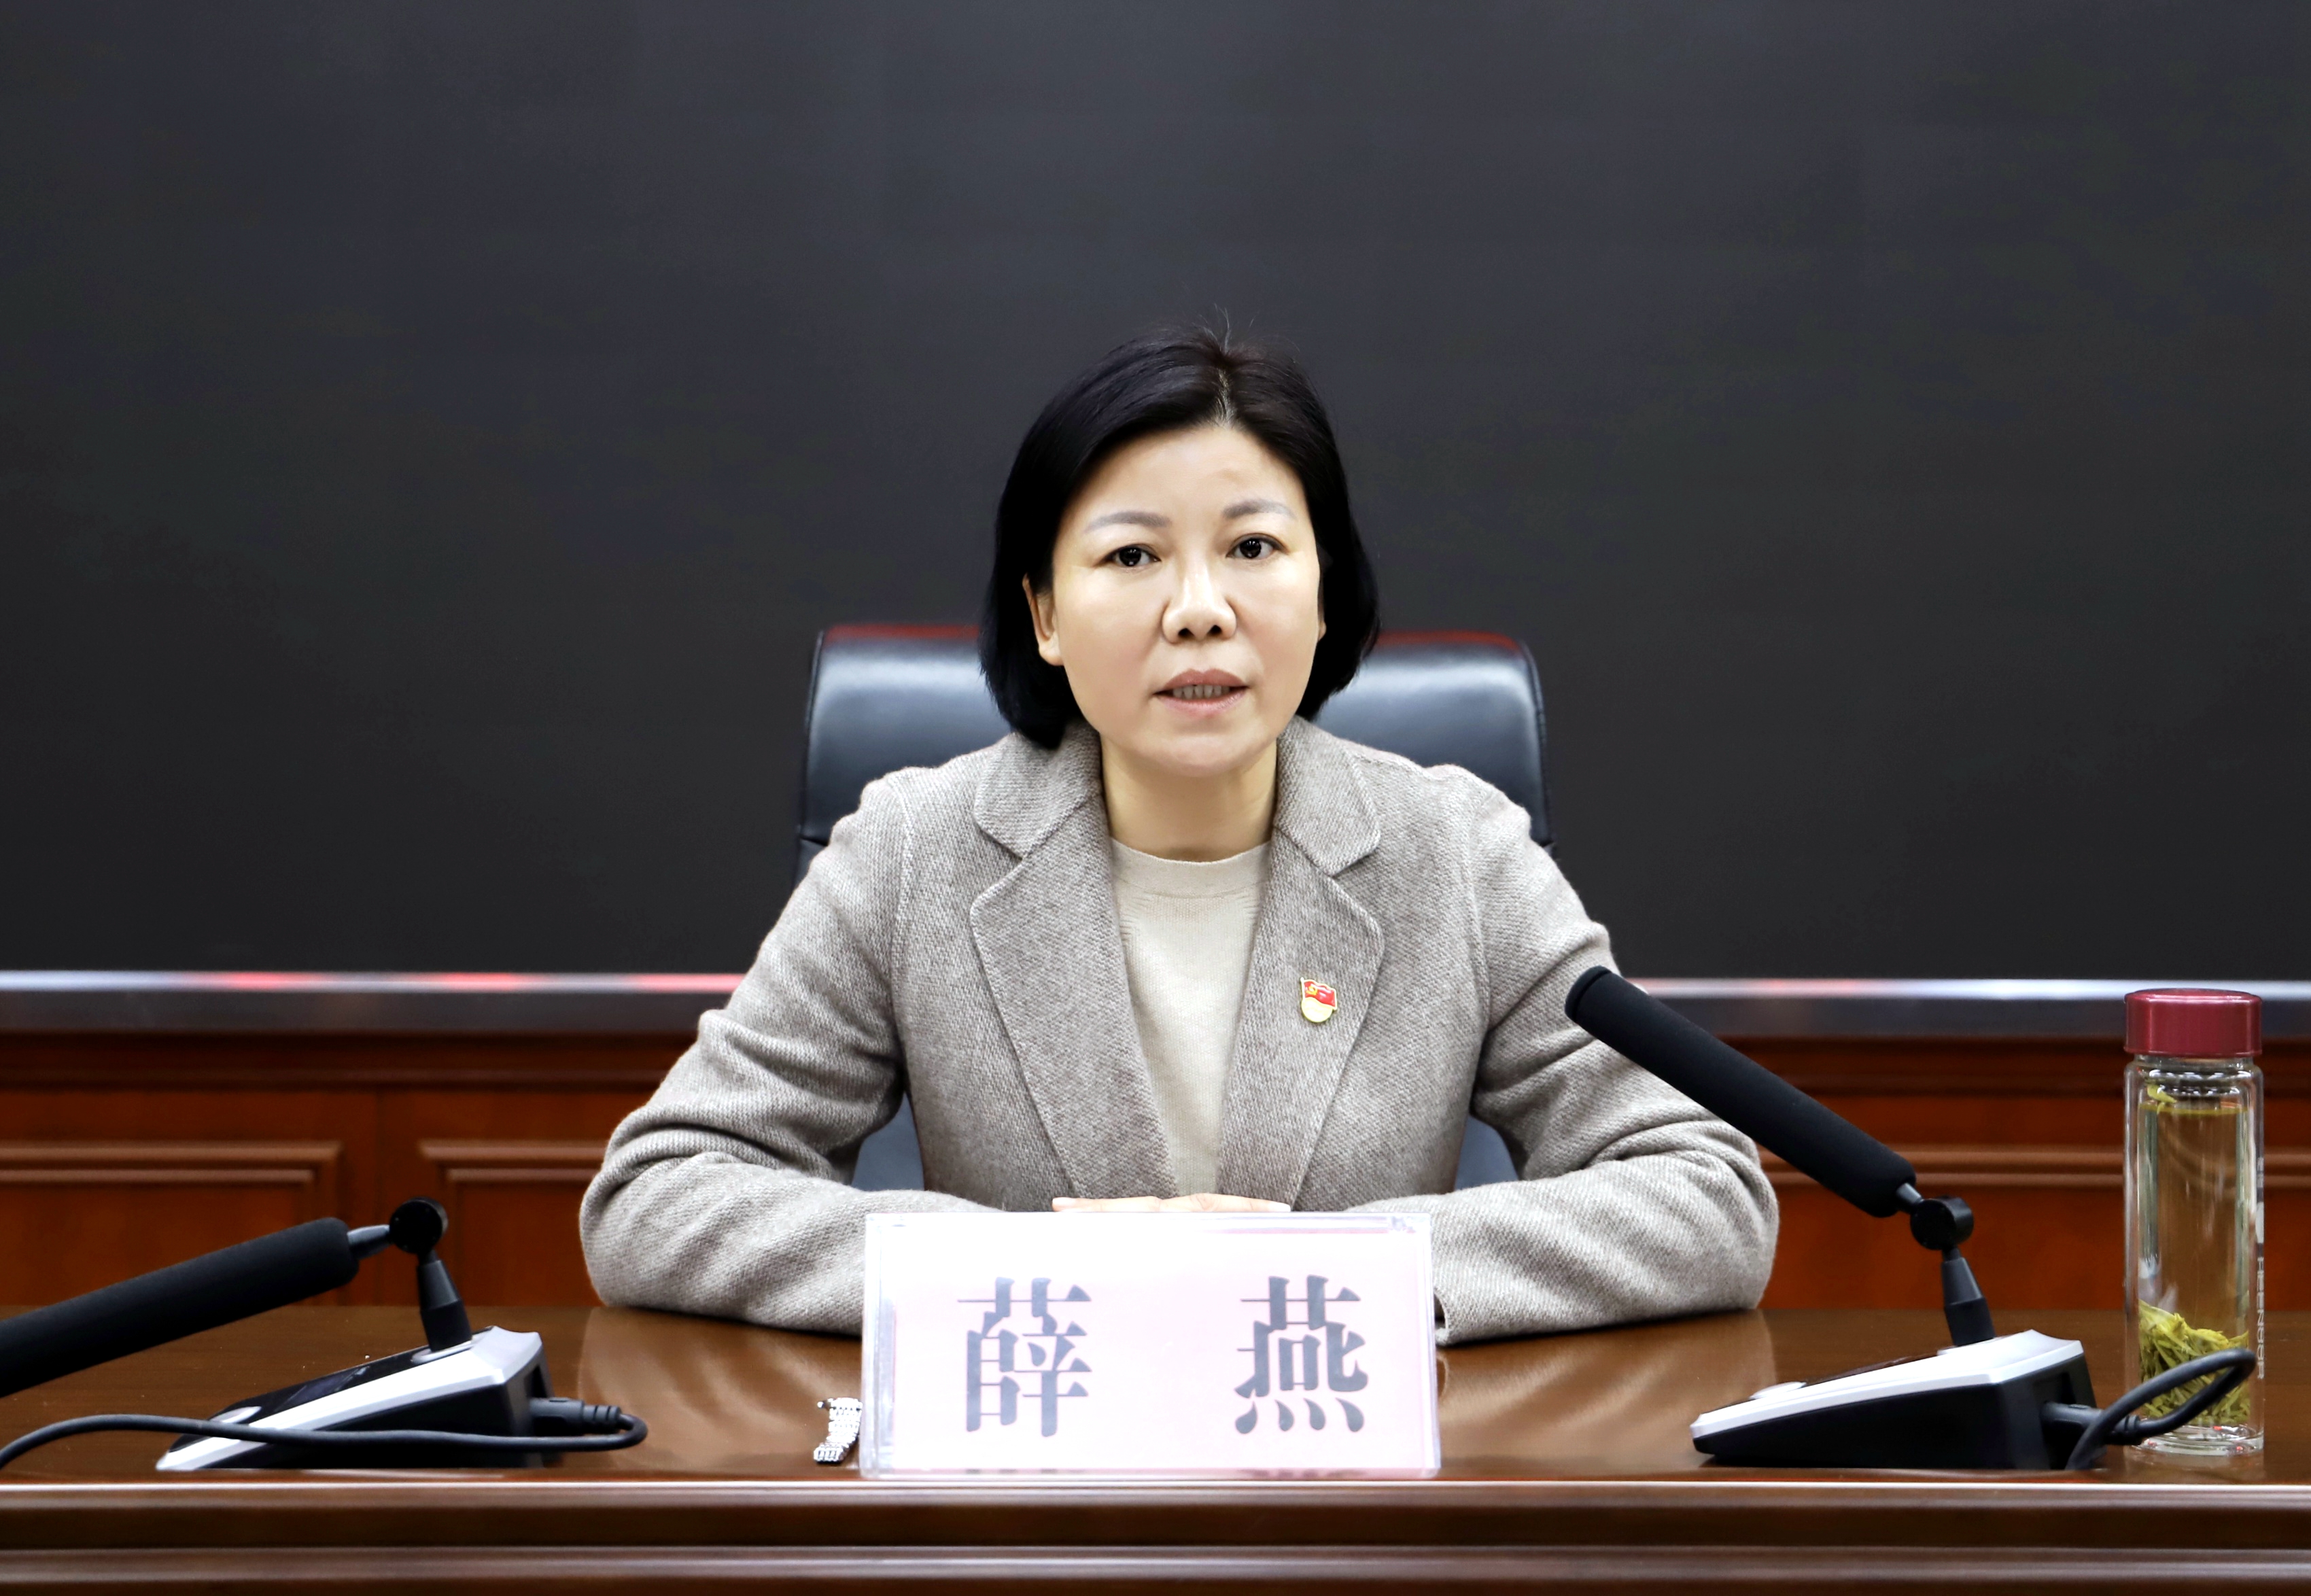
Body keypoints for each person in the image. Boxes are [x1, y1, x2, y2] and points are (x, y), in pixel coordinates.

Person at [580, 327, 1775, 1343]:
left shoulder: (1454, 854)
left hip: (1346, 1492)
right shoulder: (914, 853)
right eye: (1132, 555)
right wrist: (1027, 1271)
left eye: (1253, 548)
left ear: (1323, 591)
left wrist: (1338, 1272)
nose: (1199, 609)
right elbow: (658, 1196)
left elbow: (1706, 1193)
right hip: (1032, 1494)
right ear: (1045, 613)